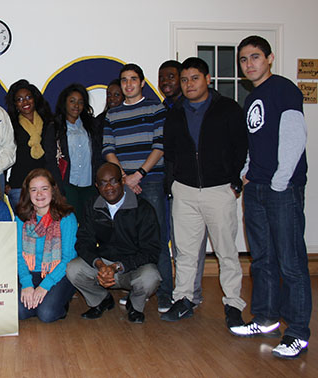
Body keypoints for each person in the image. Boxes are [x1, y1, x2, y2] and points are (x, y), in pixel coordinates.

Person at [229, 36, 311, 360]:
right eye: (244, 59)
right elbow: (255, 141)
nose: (249, 64)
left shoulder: (284, 89)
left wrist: (279, 181)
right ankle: (265, 318)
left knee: (291, 262)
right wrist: (248, 173)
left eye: (255, 57)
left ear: (270, 58)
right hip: (257, 188)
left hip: (282, 189)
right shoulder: (252, 98)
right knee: (261, 259)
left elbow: (295, 137)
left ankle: (298, 333)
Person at [161, 57, 248, 329]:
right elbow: (170, 152)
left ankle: (233, 304)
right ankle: (184, 299)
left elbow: (241, 146)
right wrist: (172, 184)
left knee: (226, 252)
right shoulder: (175, 112)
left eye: (194, 78)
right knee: (185, 253)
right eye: (184, 80)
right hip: (184, 191)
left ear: (207, 79)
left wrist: (234, 180)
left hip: (219, 190)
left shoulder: (228, 109)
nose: (189, 84)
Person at [103, 63, 171, 313]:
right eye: (124, 80)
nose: (128, 84)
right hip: (123, 185)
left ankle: (165, 294)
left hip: (150, 182)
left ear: (142, 82)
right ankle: (136, 291)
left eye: (133, 79)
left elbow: (160, 145)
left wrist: (139, 174)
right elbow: (108, 149)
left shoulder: (156, 108)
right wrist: (123, 177)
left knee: (158, 238)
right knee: (128, 240)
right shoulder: (112, 114)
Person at [66, 163, 161, 324]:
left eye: (113, 181)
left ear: (122, 181)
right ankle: (101, 300)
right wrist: (99, 265)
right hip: (103, 266)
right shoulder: (92, 206)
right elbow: (83, 242)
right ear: (97, 186)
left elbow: (151, 251)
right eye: (103, 183)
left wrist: (117, 266)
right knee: (73, 269)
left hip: (132, 267)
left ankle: (136, 306)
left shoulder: (143, 209)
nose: (109, 187)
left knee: (151, 277)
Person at [159, 59, 207, 308]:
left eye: (171, 77)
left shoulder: (192, 108)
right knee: (180, 244)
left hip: (197, 187)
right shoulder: (168, 109)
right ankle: (183, 293)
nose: (166, 82)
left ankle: (192, 295)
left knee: (192, 246)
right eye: (162, 78)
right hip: (174, 185)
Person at [15, 169, 77, 322]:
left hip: (57, 274)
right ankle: (41, 302)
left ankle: (56, 301)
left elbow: (68, 258)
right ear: (28, 193)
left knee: (47, 314)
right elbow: (17, 254)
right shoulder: (21, 218)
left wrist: (45, 286)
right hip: (29, 273)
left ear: (53, 190)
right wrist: (27, 283)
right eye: (34, 190)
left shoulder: (66, 217)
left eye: (44, 188)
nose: (39, 194)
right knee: (19, 312)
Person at [4, 79, 59, 207]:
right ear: (15, 104)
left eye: (28, 97)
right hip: (19, 185)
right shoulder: (11, 125)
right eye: (20, 99)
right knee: (23, 226)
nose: (25, 102)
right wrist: (6, 185)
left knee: (44, 225)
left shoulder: (48, 122)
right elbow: (5, 152)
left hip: (44, 185)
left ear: (35, 99)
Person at [53, 83, 103, 224]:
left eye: (81, 102)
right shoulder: (55, 126)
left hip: (90, 185)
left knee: (90, 224)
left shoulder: (92, 126)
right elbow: (51, 159)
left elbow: (98, 155)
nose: (76, 105)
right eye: (72, 101)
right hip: (68, 185)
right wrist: (58, 188)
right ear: (65, 102)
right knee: (70, 224)